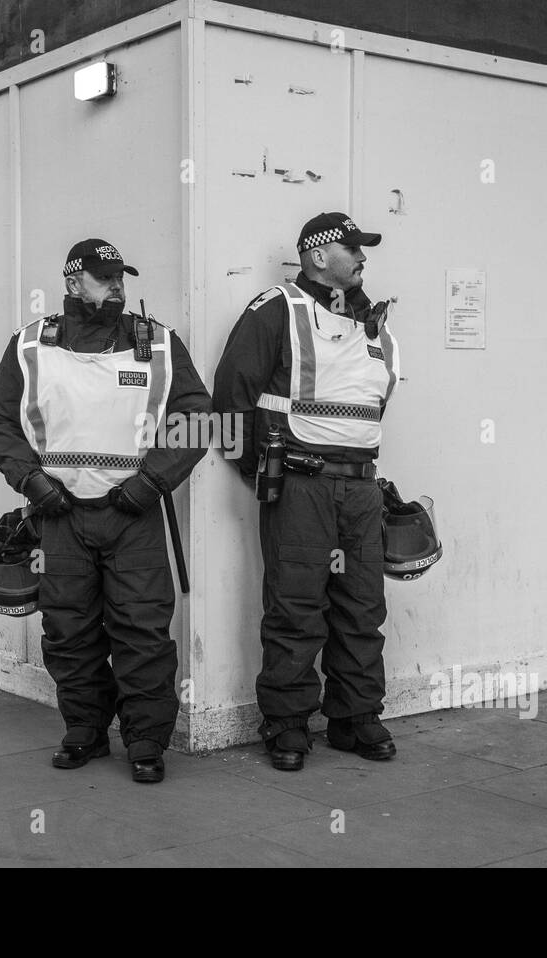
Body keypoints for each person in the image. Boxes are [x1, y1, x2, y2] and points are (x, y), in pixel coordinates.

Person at [0, 238, 211, 784]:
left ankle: (146, 741)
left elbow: (200, 419)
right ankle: (85, 730)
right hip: (59, 517)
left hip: (134, 515)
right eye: (105, 278)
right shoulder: (30, 345)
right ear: (71, 283)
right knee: (68, 632)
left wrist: (153, 482)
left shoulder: (156, 342)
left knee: (143, 633)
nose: (117, 287)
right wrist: (33, 482)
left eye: (121, 278)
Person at [212, 212, 403, 771]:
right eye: (353, 248)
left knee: (362, 608)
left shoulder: (374, 324)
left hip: (362, 492)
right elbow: (230, 399)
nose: (363, 257)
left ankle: (355, 719)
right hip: (300, 487)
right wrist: (262, 471)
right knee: (296, 610)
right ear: (318, 255)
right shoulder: (276, 310)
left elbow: (373, 405)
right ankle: (288, 724)